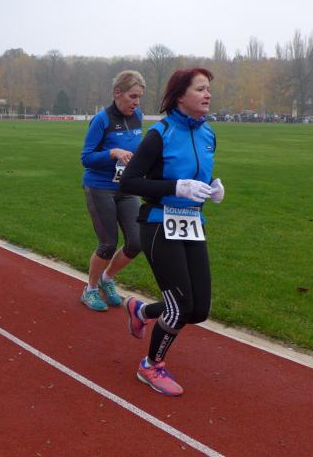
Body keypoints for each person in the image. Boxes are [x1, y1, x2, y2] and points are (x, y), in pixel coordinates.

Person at [119, 68, 224, 397]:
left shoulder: (209, 134)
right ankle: (151, 365)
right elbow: (129, 182)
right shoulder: (159, 134)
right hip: (158, 223)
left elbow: (198, 174)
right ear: (180, 96)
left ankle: (142, 311)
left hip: (192, 225)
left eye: (208, 89)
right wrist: (175, 187)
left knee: (198, 310)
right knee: (179, 306)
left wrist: (212, 188)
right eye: (200, 89)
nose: (207, 95)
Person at [79, 71, 145, 311]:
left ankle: (107, 279)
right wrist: (113, 153)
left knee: (137, 241)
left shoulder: (137, 116)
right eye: (132, 96)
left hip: (126, 187)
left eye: (139, 97)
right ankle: (90, 290)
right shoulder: (102, 120)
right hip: (100, 187)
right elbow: (86, 158)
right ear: (118, 93)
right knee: (107, 244)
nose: (137, 102)